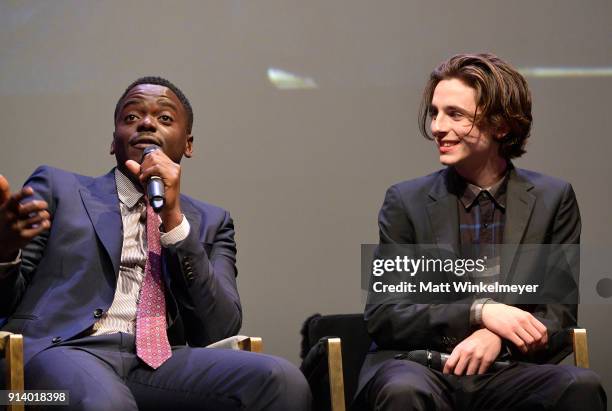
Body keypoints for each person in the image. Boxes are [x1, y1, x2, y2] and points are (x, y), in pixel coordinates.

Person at [0, 76, 312, 411]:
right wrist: (4, 251)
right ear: (113, 141)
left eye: (164, 118)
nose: (147, 123)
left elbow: (219, 328)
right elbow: (7, 305)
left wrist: (175, 222)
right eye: (131, 117)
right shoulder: (58, 189)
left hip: (158, 362)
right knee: (105, 403)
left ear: (188, 145)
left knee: (281, 380)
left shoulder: (211, 222)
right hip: (59, 355)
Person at [355, 54, 606, 410]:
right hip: (422, 365)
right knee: (403, 392)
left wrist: (495, 338)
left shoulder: (554, 199)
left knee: (579, 385)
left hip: (510, 368)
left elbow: (558, 316)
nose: (438, 127)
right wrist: (480, 312)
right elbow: (385, 314)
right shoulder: (405, 201)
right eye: (434, 113)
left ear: (501, 126)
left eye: (454, 114)